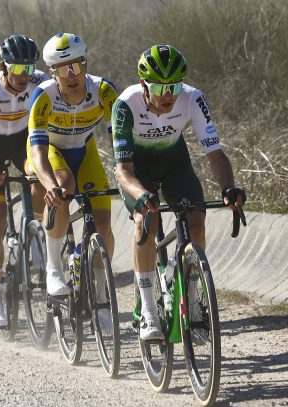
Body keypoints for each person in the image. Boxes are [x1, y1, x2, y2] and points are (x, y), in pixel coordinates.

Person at [112, 44, 246, 340]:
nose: (168, 94)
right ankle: (147, 310)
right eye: (160, 86)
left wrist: (228, 188)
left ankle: (194, 297)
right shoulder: (125, 105)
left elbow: (216, 155)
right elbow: (123, 170)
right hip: (137, 170)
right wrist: (141, 194)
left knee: (196, 221)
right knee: (147, 222)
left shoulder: (193, 98)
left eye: (174, 85)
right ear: (143, 83)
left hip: (175, 164)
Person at [27, 32, 118, 297]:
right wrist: (50, 185)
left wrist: (125, 173)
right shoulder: (44, 96)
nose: (71, 75)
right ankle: (53, 269)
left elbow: (121, 141)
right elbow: (39, 152)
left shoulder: (102, 90)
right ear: (51, 72)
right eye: (62, 70)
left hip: (84, 148)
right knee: (63, 186)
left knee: (103, 224)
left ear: (85, 64)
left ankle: (101, 291)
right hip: (50, 150)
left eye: (76, 66)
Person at [0, 34, 49, 328]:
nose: (23, 76)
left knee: (39, 176)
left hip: (22, 142)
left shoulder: (39, 81)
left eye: (28, 69)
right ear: (3, 66)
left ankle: (35, 233)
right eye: (17, 69)